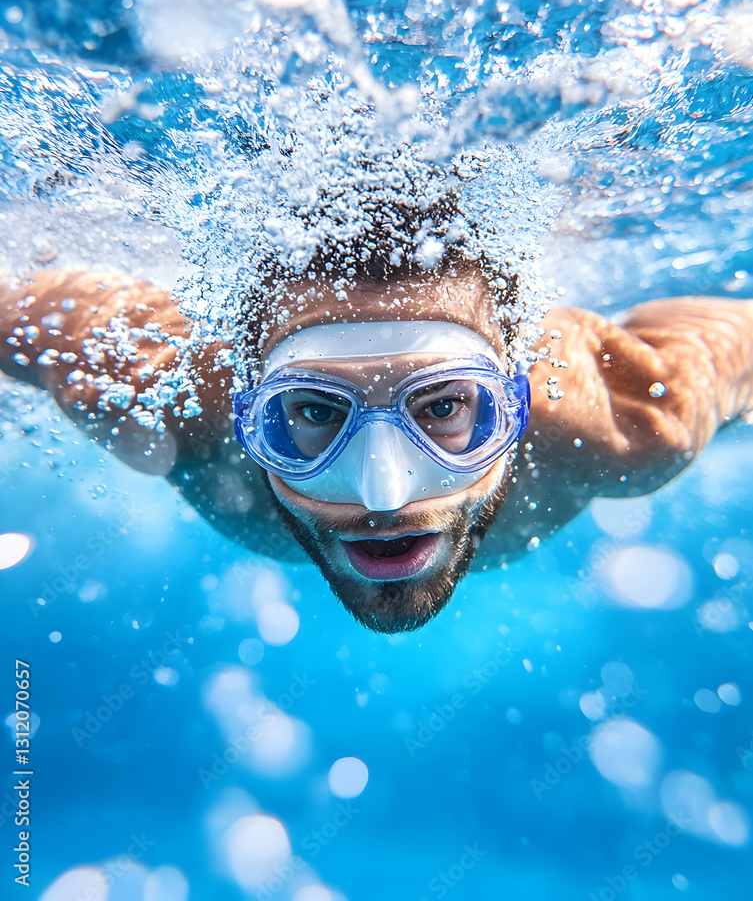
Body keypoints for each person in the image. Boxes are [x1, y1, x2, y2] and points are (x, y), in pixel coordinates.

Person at [2, 154, 752, 633]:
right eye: (315, 411)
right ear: (244, 415)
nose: (383, 495)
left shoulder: (628, 417)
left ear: (516, 408)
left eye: (443, 407)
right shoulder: (162, 393)